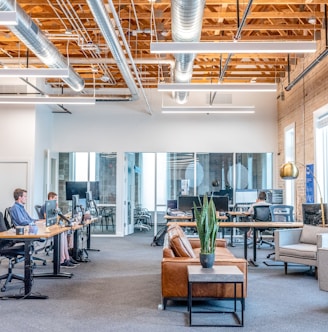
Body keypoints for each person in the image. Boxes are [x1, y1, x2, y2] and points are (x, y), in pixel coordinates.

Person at [40, 192, 79, 268]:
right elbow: (47, 218)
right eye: (55, 199)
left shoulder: (55, 207)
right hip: (49, 228)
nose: (56, 200)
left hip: (55, 225)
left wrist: (63, 214)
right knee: (62, 233)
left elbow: (60, 217)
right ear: (50, 198)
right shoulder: (46, 206)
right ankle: (62, 259)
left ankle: (67, 256)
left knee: (69, 231)